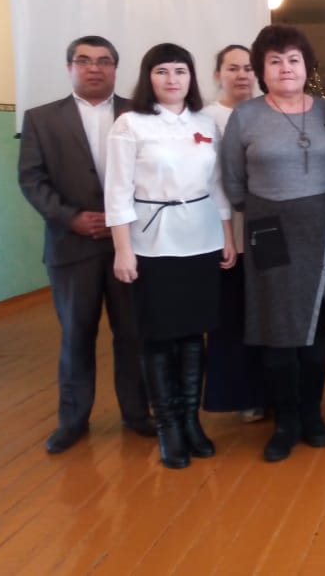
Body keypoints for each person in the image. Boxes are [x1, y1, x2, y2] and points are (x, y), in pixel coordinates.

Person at [18, 35, 153, 454]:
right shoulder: (41, 118)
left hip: (129, 244)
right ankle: (73, 421)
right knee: (77, 335)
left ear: (115, 68)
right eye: (84, 60)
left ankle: (137, 414)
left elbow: (154, 175)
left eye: (104, 61)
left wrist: (123, 219)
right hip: (71, 246)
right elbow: (32, 180)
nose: (94, 68)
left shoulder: (140, 113)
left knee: (133, 333)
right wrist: (71, 218)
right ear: (70, 67)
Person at [105, 43, 235, 469]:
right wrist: (123, 250)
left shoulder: (204, 122)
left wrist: (226, 235)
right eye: (162, 71)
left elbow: (217, 185)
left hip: (201, 238)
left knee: (195, 334)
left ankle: (191, 421)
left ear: (191, 77)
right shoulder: (130, 124)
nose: (172, 79)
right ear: (149, 77)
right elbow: (117, 192)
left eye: (180, 71)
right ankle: (168, 427)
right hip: (151, 243)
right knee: (159, 336)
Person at [222, 25, 325, 462]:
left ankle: (312, 416)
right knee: (277, 333)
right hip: (269, 230)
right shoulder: (246, 116)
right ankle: (285, 422)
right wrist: (267, 210)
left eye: (293, 59)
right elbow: (233, 182)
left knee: (315, 329)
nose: (285, 68)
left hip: (323, 230)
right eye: (274, 61)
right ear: (262, 69)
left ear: (307, 66)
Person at [202, 44, 264, 423]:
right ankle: (240, 396)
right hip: (224, 233)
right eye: (233, 68)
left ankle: (269, 391)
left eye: (248, 68)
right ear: (218, 75)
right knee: (231, 316)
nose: (242, 75)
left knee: (264, 313)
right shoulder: (205, 119)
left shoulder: (265, 111)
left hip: (265, 229)